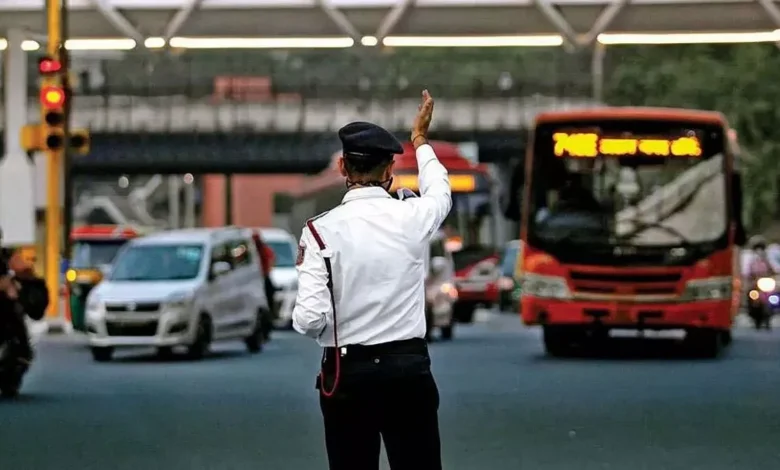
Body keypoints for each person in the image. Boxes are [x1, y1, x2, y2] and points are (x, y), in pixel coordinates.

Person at [292, 90, 449, 470]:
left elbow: (308, 320)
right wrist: (420, 140)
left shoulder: (319, 232)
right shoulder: (412, 218)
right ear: (389, 171)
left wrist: (333, 335)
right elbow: (439, 190)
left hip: (348, 374)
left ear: (343, 168)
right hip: (407, 370)